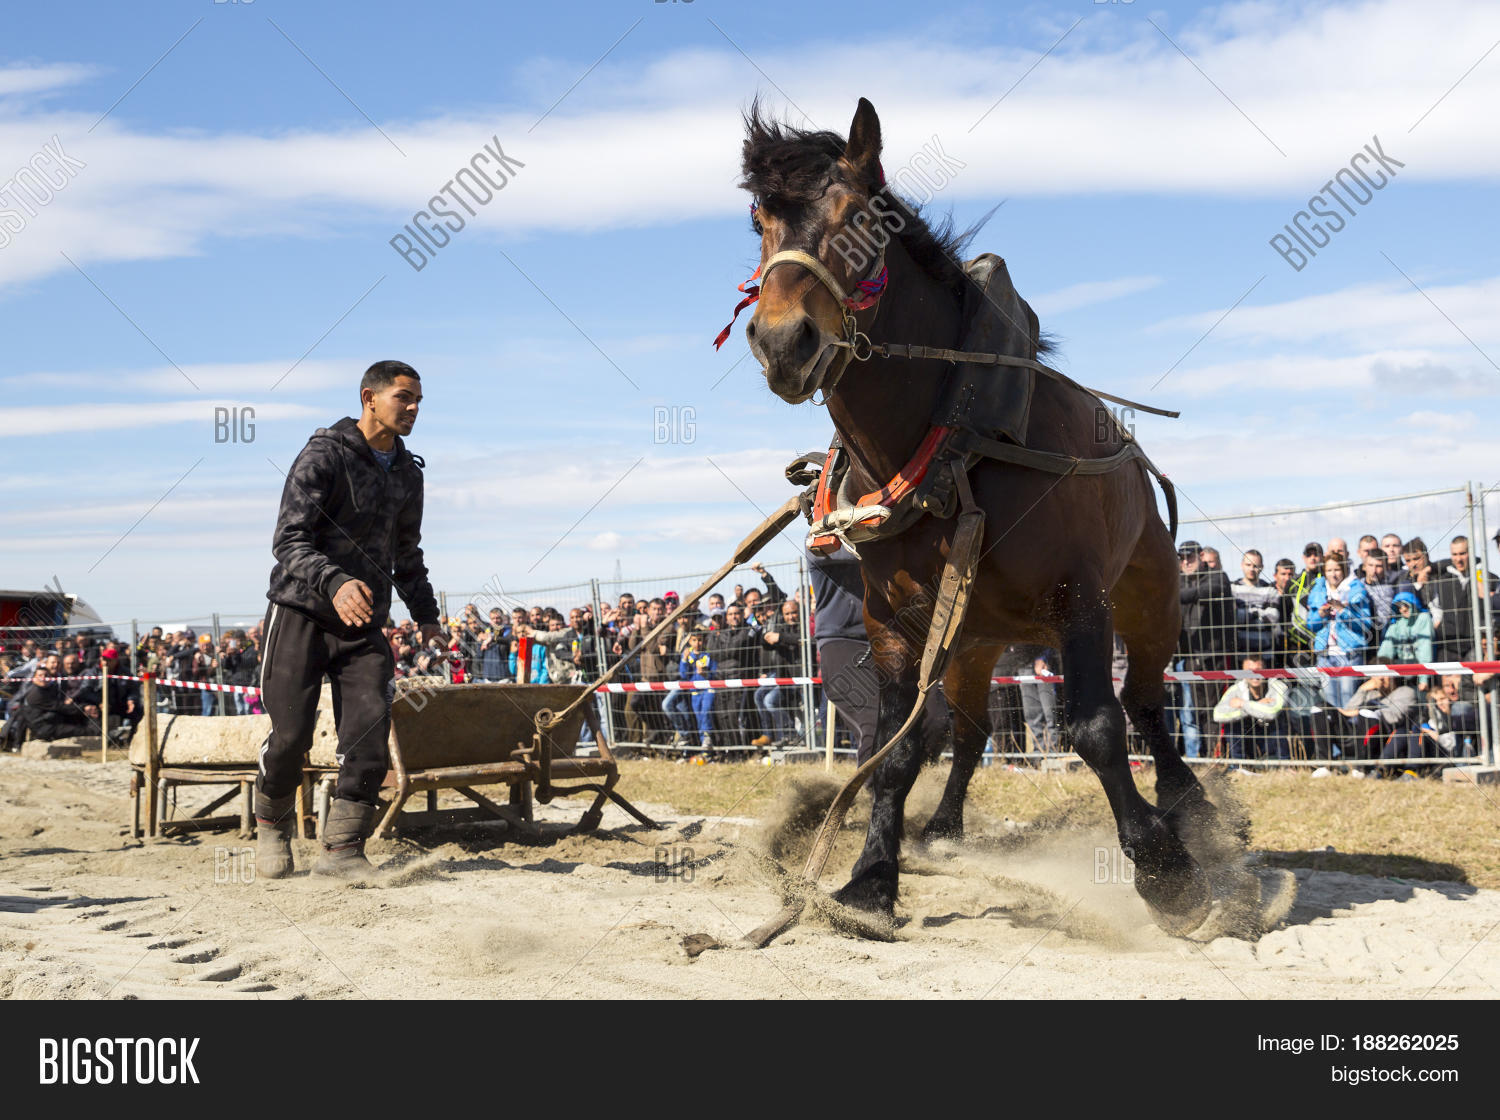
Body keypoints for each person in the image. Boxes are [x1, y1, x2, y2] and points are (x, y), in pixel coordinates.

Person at [255, 360, 442, 880]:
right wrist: (334, 582)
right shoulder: (323, 454)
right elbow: (288, 540)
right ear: (369, 398)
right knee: (290, 735)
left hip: (365, 625)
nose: (413, 408)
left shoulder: (407, 473)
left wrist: (426, 616)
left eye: (418, 401)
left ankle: (341, 851)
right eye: (404, 397)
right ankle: (272, 824)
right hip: (300, 612)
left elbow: (407, 552)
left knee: (368, 734)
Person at [1306, 553, 1374, 712]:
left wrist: (1342, 610)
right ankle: (1334, 734)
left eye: (1337, 569)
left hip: (1348, 654)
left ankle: (1351, 735)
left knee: (1348, 699)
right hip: (1325, 655)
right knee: (1330, 701)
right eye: (1329, 570)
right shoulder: (1318, 591)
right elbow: (1311, 625)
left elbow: (1365, 625)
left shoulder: (1355, 590)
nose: (1333, 574)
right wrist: (1320, 615)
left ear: (1344, 570)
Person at [663, 629, 717, 749]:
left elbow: (714, 672)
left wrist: (706, 674)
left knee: (706, 711)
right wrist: (683, 660)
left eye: (700, 640)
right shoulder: (688, 655)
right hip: (694, 691)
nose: (697, 643)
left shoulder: (708, 655)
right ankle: (703, 746)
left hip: (707, 689)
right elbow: (683, 675)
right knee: (698, 715)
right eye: (694, 640)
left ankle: (707, 737)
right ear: (690, 642)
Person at [1230, 550, 1279, 660]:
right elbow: (1233, 618)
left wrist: (1245, 614)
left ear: (1262, 567)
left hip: (1266, 654)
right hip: (1240, 656)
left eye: (1255, 566)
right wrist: (1259, 613)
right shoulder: (1232, 589)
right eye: (1248, 565)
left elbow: (1271, 620)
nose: (1252, 569)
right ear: (1242, 565)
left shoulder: (1270, 589)